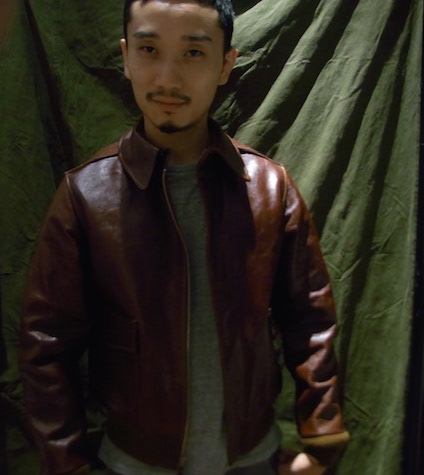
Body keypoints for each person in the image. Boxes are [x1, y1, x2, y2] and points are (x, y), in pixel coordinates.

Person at [19, 1, 349, 474]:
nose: (168, 78)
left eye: (194, 53)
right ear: (126, 56)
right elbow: (45, 347)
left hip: (253, 459)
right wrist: (67, 464)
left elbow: (311, 321)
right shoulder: (84, 196)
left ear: (225, 64)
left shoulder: (271, 189)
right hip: (132, 463)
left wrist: (321, 441)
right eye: (149, 49)